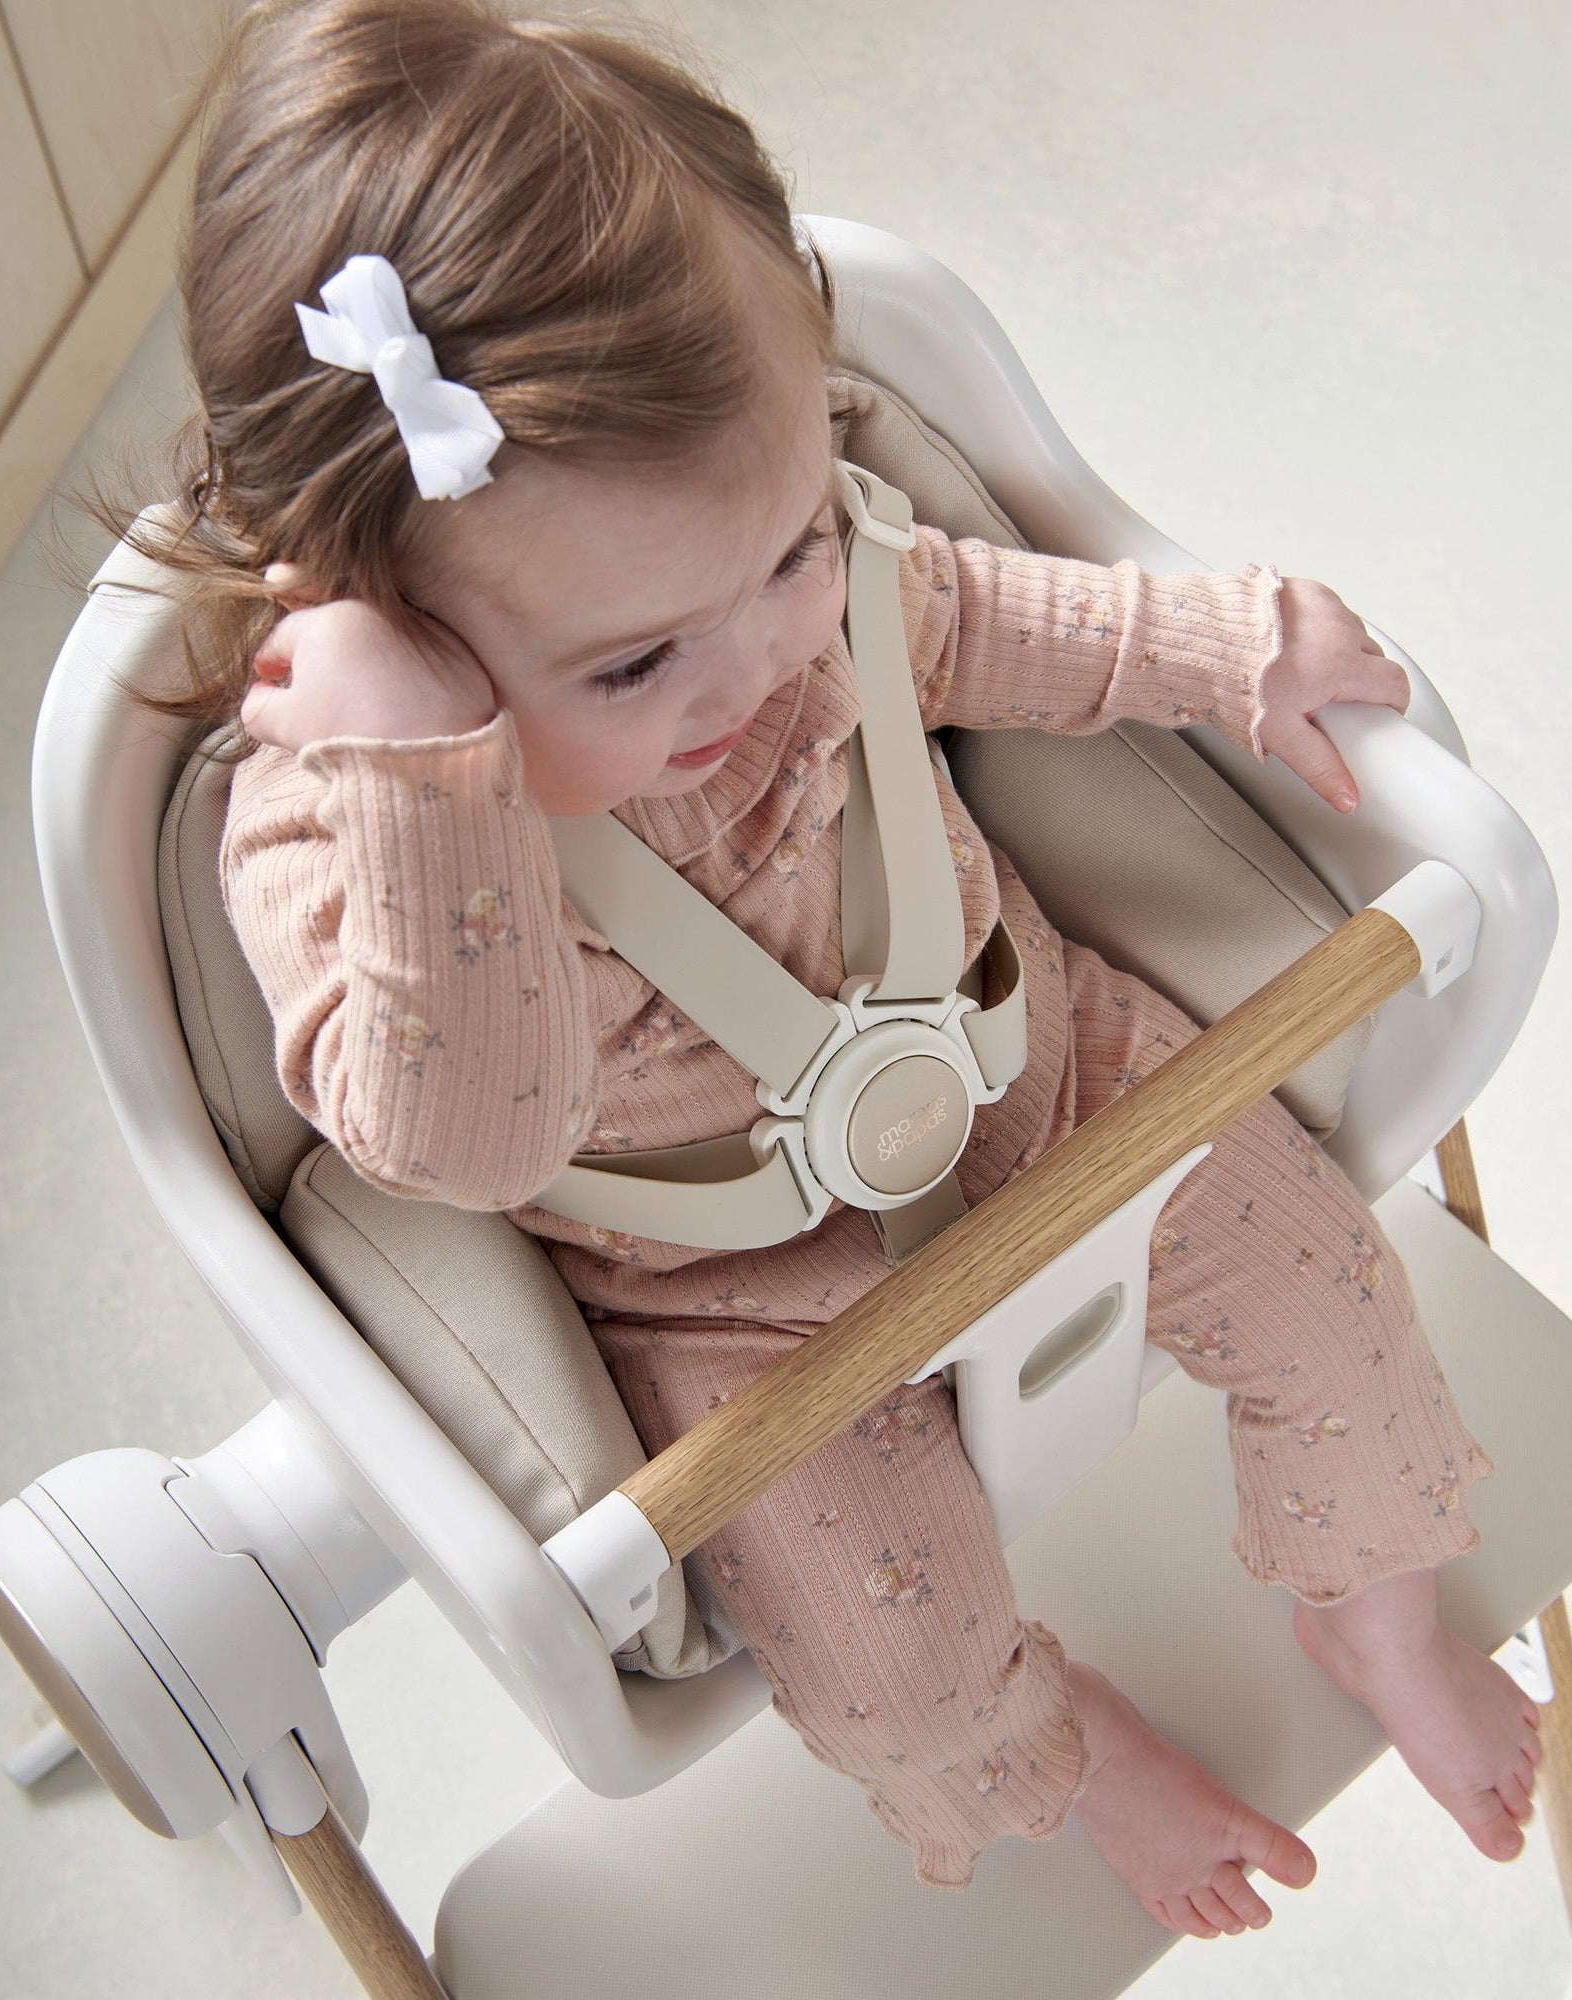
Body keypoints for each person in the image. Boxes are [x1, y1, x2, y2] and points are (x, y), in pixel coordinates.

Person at [127, 0, 1540, 1936]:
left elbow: (996, 622)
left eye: (790, 547)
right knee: (893, 1673)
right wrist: (424, 779)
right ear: (374, 617)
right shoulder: (332, 828)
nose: (754, 666)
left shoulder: (803, 593)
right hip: (727, 1302)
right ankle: (1060, 1748)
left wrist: (1229, 645)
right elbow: (467, 1141)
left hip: (1031, 1066)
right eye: (635, 664)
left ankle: (1369, 1611)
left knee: (1334, 1288)